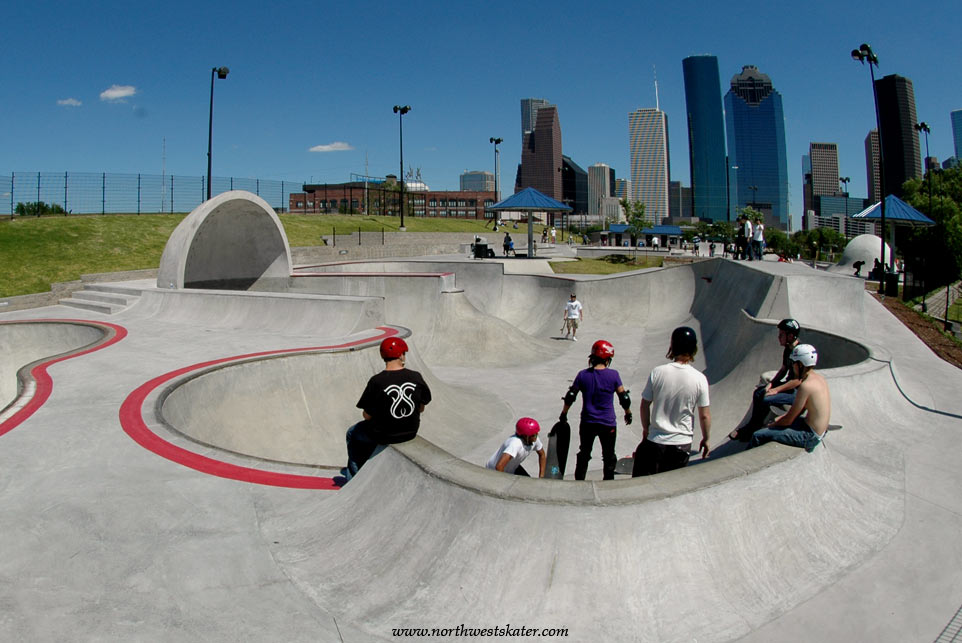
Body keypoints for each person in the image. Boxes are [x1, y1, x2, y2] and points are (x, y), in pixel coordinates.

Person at [342, 337, 432, 481]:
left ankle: (354, 480)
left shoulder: (376, 381)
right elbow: (421, 408)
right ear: (402, 355)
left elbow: (367, 415)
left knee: (352, 434)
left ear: (383, 356)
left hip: (385, 435)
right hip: (410, 432)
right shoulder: (416, 377)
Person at [632, 327, 711, 477]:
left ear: (672, 346)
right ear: (694, 348)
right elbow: (704, 416)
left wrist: (646, 428)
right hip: (681, 445)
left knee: (644, 485)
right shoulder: (700, 378)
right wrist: (706, 439)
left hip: (655, 441)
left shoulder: (658, 372)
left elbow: (644, 405)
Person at [559, 340, 632, 480]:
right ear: (608, 358)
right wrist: (628, 412)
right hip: (608, 423)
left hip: (587, 422)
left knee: (584, 453)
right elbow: (624, 397)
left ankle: (579, 481)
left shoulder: (582, 375)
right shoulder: (614, 375)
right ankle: (608, 483)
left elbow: (571, 396)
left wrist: (564, 413)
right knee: (609, 455)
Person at [727, 319, 802, 442]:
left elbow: (797, 381)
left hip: (797, 392)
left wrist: (776, 390)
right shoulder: (788, 349)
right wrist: (771, 384)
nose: (778, 337)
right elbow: (783, 370)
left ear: (790, 335)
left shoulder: (799, 352)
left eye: (781, 334)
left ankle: (752, 430)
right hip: (788, 386)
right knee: (759, 392)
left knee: (766, 398)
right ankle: (752, 426)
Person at [748, 344, 830, 453]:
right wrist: (781, 419)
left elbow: (788, 420)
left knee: (758, 435)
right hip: (816, 429)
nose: (792, 367)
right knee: (776, 422)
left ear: (800, 365)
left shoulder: (806, 386)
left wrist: (773, 425)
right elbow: (799, 411)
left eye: (793, 364)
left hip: (810, 436)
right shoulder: (819, 379)